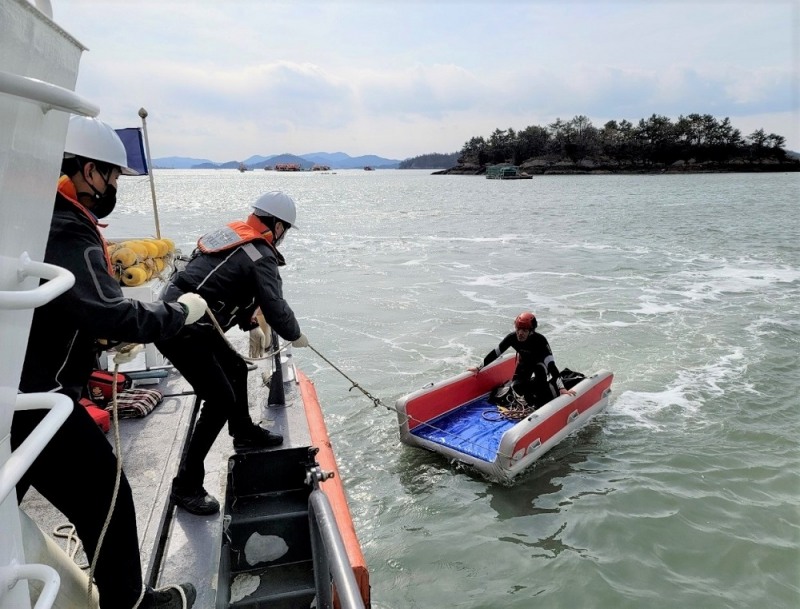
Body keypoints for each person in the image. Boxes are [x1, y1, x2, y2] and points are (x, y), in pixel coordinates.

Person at [12, 116, 206, 608]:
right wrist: (179, 313)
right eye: (113, 175)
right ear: (88, 171)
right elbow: (109, 311)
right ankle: (131, 603)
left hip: (17, 386)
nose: (115, 186)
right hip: (38, 399)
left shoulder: (27, 214)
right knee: (108, 496)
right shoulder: (66, 225)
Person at [155, 190, 308, 516]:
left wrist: (245, 317)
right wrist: (295, 334)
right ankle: (186, 486)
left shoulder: (233, 237)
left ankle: (243, 432)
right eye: (285, 231)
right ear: (277, 226)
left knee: (236, 368)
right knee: (220, 399)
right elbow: (275, 306)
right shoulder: (261, 254)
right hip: (183, 327)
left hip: (177, 314)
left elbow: (220, 283)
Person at [474, 311, 576, 408]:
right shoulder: (512, 338)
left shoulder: (540, 341)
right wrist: (479, 367)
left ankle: (548, 386)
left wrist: (562, 388)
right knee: (516, 387)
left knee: (541, 391)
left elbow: (551, 365)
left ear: (531, 332)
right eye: (518, 329)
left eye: (524, 330)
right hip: (525, 363)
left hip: (540, 366)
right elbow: (496, 353)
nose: (520, 333)